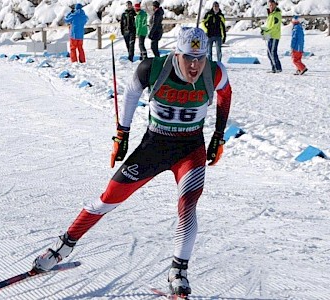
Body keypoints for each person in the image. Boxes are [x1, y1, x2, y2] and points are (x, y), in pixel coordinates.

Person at [32, 27, 232, 299]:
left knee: (187, 207)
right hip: (154, 147)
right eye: (188, 57)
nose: (195, 65)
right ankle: (63, 246)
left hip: (190, 150)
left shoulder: (215, 71)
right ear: (177, 53)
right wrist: (122, 135)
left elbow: (225, 95)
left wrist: (218, 136)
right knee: (108, 199)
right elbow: (130, 94)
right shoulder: (152, 68)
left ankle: (178, 271)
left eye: (200, 57)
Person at [260, 0, 282, 73]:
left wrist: (266, 31)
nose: (271, 6)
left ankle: (277, 68)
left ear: (275, 5)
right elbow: (269, 26)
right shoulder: (271, 14)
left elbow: (274, 27)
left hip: (274, 36)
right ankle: (274, 67)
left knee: (272, 52)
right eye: (270, 5)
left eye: (272, 5)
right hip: (270, 35)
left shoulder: (276, 14)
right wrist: (264, 30)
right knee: (269, 52)